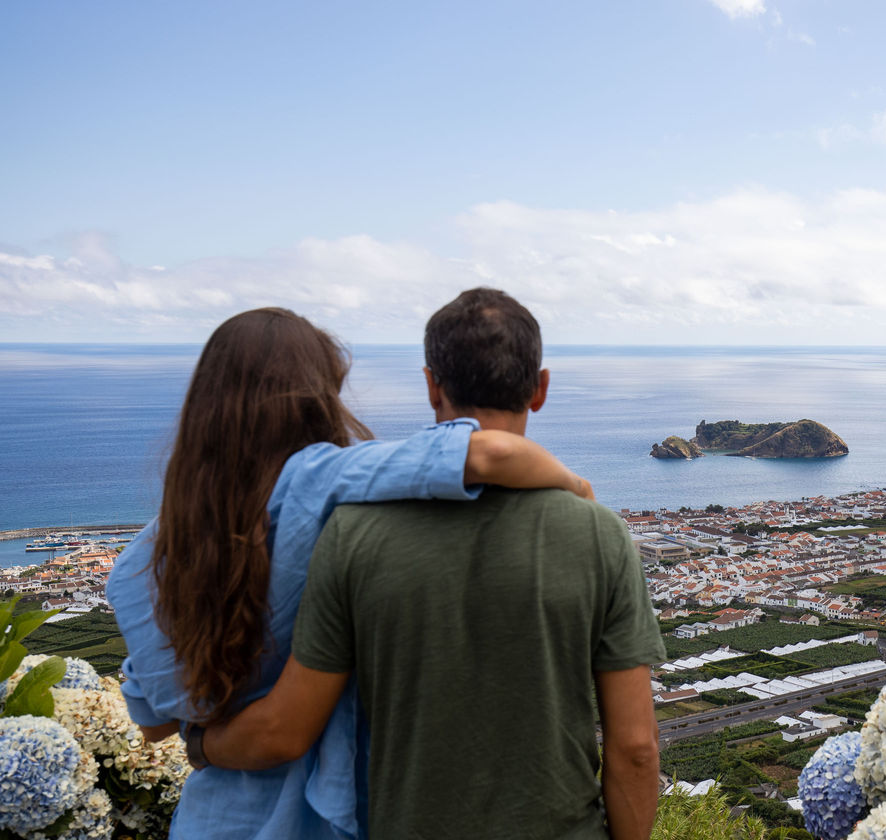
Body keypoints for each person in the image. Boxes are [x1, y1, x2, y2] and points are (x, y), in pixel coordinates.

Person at [108, 307, 592, 840]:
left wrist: (204, 742)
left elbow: (155, 722)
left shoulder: (138, 563)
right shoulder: (319, 478)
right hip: (321, 816)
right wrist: (578, 493)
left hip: (212, 821)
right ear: (316, 395)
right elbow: (492, 451)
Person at [200, 288, 666, 839]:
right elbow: (635, 748)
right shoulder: (599, 534)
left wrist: (197, 740)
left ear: (430, 386)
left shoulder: (353, 531)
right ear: (540, 389)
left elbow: (288, 728)